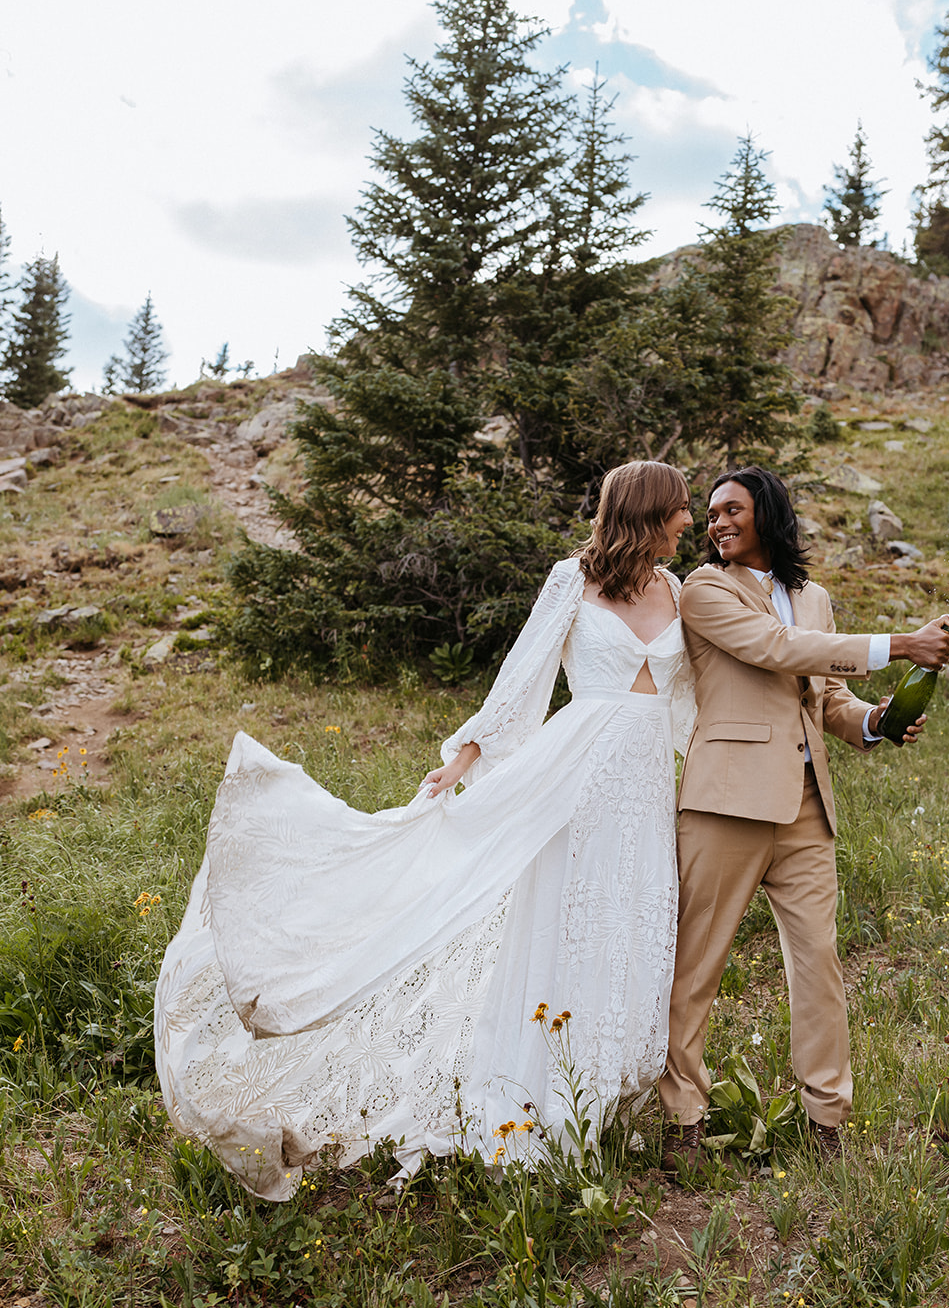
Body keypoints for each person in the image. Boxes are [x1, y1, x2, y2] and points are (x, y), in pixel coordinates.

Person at [155, 461, 696, 1199]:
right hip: (572, 776)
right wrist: (463, 759)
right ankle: (535, 1097)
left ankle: (603, 1097)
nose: (689, 524)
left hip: (643, 786)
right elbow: (521, 680)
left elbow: (700, 698)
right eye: (680, 511)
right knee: (565, 925)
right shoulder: (573, 578)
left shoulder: (678, 590)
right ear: (646, 512)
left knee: (627, 926)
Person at [658, 466, 949, 1172]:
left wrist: (875, 721)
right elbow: (775, 650)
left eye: (731, 509)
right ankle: (682, 1125)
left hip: (805, 805)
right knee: (695, 966)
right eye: (709, 514)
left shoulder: (813, 596)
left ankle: (826, 1122)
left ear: (766, 511)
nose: (716, 523)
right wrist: (898, 644)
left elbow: (822, 700)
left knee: (818, 963)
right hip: (724, 801)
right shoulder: (703, 591)